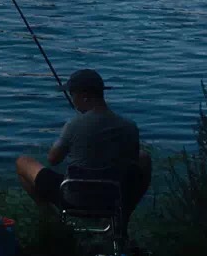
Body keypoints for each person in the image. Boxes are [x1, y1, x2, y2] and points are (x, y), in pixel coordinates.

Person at [15, 68, 151, 216]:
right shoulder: (130, 127)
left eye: (73, 94)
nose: (72, 99)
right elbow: (131, 161)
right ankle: (121, 221)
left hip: (75, 198)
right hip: (113, 198)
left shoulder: (74, 125)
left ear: (85, 96)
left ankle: (52, 220)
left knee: (23, 162)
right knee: (143, 157)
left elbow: (53, 159)